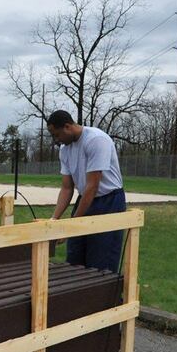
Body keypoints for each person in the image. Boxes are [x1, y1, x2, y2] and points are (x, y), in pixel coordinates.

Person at [47, 110, 126, 273]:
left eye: (57, 134)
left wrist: (72, 224)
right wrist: (55, 218)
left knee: (101, 260)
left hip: (109, 202)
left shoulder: (96, 140)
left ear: (68, 127)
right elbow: (67, 188)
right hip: (85, 199)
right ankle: (77, 297)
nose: (56, 140)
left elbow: (93, 186)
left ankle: (105, 298)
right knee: (75, 256)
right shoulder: (64, 149)